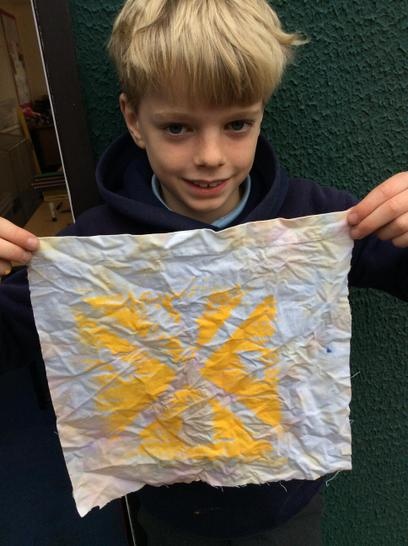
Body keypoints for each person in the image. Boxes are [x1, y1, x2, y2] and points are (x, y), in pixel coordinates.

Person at [1, 0, 407, 544]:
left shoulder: (315, 220)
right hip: (171, 511)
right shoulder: (90, 250)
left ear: (261, 115)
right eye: (177, 128)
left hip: (283, 506)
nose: (211, 155)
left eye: (237, 124)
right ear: (133, 120)